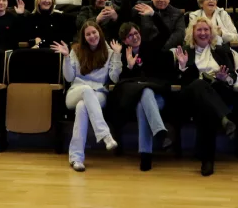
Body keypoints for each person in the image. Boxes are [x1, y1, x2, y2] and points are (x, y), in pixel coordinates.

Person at [174, 18, 238, 176]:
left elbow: (232, 75)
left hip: (215, 93)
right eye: (199, 30)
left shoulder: (221, 50)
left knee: (206, 111)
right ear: (193, 32)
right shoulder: (185, 51)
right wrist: (183, 67)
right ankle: (224, 118)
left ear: (211, 33)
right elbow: (181, 82)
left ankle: (207, 160)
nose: (203, 33)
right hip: (190, 97)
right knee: (199, 84)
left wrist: (224, 78)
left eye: (206, 30)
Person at [52, 21, 121, 172]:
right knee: (86, 90)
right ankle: (105, 134)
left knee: (82, 106)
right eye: (88, 34)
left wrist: (117, 55)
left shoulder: (109, 52)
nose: (92, 36)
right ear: (84, 37)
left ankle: (76, 158)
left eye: (94, 33)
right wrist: (66, 58)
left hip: (99, 94)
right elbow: (69, 78)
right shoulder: (76, 50)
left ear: (99, 33)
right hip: (76, 91)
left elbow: (114, 78)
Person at [109, 22, 171, 171]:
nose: (135, 37)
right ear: (125, 40)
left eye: (136, 33)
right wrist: (129, 67)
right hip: (131, 100)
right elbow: (117, 81)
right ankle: (159, 133)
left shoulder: (151, 48)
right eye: (130, 35)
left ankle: (146, 156)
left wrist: (153, 16)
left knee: (145, 95)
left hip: (157, 99)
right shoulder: (121, 55)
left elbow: (165, 33)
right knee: (144, 93)